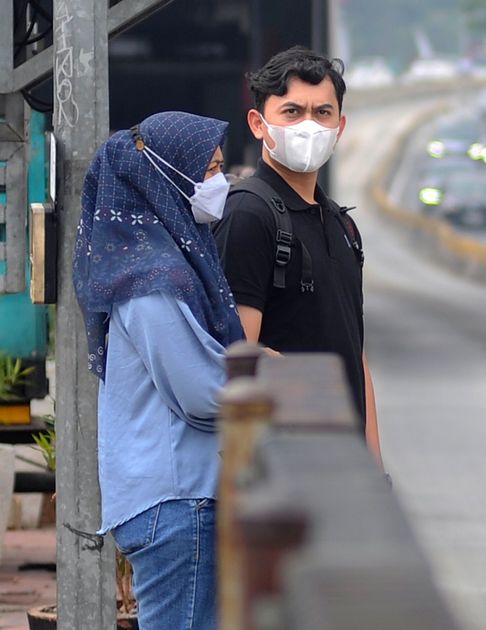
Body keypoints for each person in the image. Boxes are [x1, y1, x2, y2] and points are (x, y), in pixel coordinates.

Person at [73, 111, 244, 630]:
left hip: (179, 502)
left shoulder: (160, 261)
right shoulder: (152, 279)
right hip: (179, 504)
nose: (222, 181)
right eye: (211, 170)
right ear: (169, 174)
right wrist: (267, 379)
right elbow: (201, 394)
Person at [213, 46, 381, 464]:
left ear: (340, 127)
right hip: (283, 471)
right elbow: (237, 360)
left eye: (322, 113)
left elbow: (354, 356)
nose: (309, 125)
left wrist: (374, 468)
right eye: (292, 112)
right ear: (258, 123)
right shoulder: (249, 215)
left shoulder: (340, 223)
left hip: (344, 467)